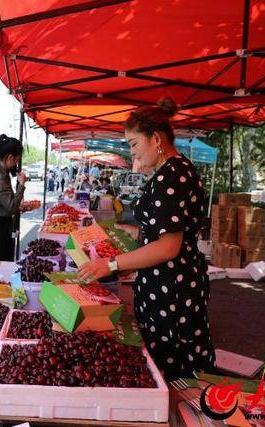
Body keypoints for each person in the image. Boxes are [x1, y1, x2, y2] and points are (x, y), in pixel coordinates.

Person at [78, 97, 215, 381]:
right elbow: (161, 231)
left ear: (155, 139)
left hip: (171, 289)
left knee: (174, 368)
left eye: (134, 144)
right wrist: (128, 234)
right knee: (169, 364)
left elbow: (168, 246)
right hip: (169, 284)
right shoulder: (175, 171)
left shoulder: (172, 175)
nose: (133, 154)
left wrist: (112, 264)